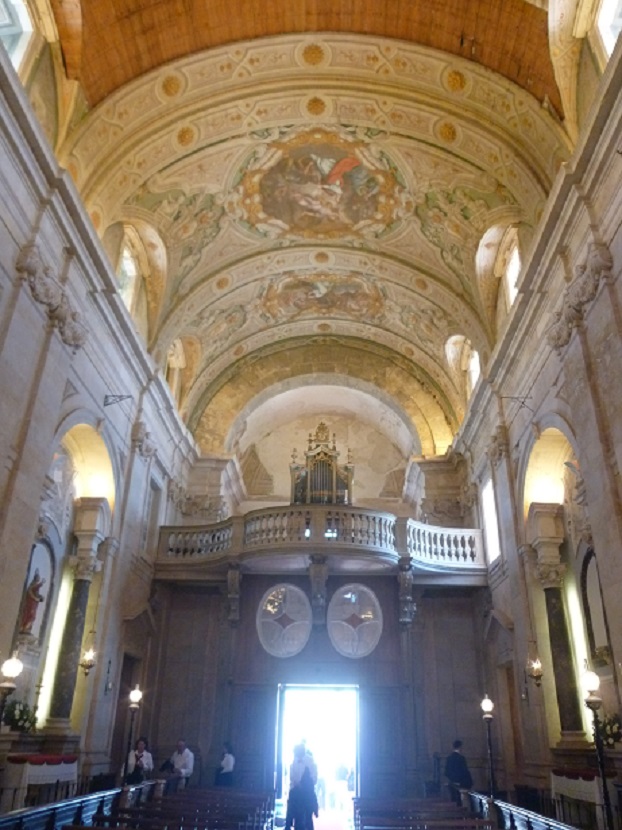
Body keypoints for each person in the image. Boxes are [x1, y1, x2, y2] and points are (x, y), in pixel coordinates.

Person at [286, 744, 319, 830]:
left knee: (308, 817)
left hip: (307, 793)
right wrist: (297, 783)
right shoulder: (294, 761)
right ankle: (289, 824)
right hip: (296, 793)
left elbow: (314, 778)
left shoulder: (310, 761)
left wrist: (305, 785)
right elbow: (292, 777)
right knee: (296, 816)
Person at [444, 739, 472, 804]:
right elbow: (464, 771)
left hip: (452, 783)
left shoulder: (449, 758)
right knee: (462, 802)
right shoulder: (461, 758)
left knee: (453, 801)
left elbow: (446, 772)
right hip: (461, 783)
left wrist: (452, 779)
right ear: (460, 747)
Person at [20, 569, 46, 634]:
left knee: (31, 616)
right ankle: (23, 627)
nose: (38, 580)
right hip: (30, 604)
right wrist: (41, 583)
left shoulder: (34, 586)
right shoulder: (32, 585)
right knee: (29, 615)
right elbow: (31, 591)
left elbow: (36, 593)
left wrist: (40, 597)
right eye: (38, 579)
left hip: (33, 604)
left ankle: (26, 628)